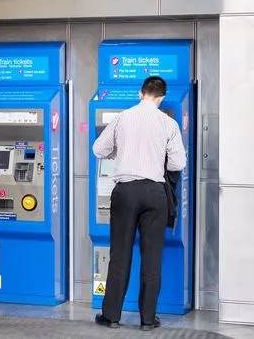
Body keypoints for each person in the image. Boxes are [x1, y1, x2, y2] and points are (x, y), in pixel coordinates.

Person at [92, 76, 186, 332]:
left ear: (140, 93)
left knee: (119, 255)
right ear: (161, 97)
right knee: (152, 258)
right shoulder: (168, 123)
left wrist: (119, 152)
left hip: (125, 192)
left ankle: (111, 316)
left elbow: (98, 149)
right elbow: (178, 164)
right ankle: (147, 319)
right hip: (155, 194)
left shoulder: (122, 117)